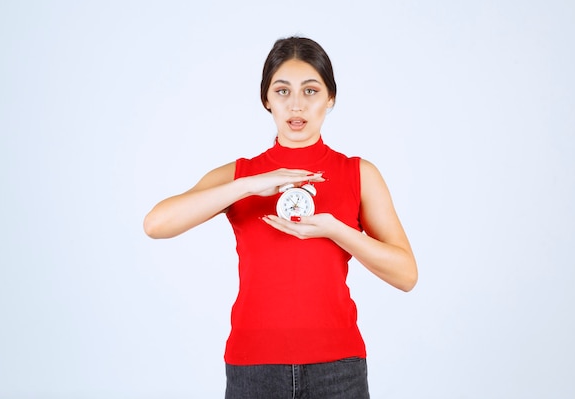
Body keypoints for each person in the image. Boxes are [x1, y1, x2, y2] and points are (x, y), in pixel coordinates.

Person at [143, 36, 417, 399]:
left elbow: (406, 274)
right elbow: (156, 224)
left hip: (338, 369)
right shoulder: (241, 175)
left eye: (310, 90)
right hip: (253, 367)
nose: (296, 105)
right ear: (266, 100)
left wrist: (336, 230)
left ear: (330, 99)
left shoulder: (359, 174)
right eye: (283, 91)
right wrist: (249, 185)